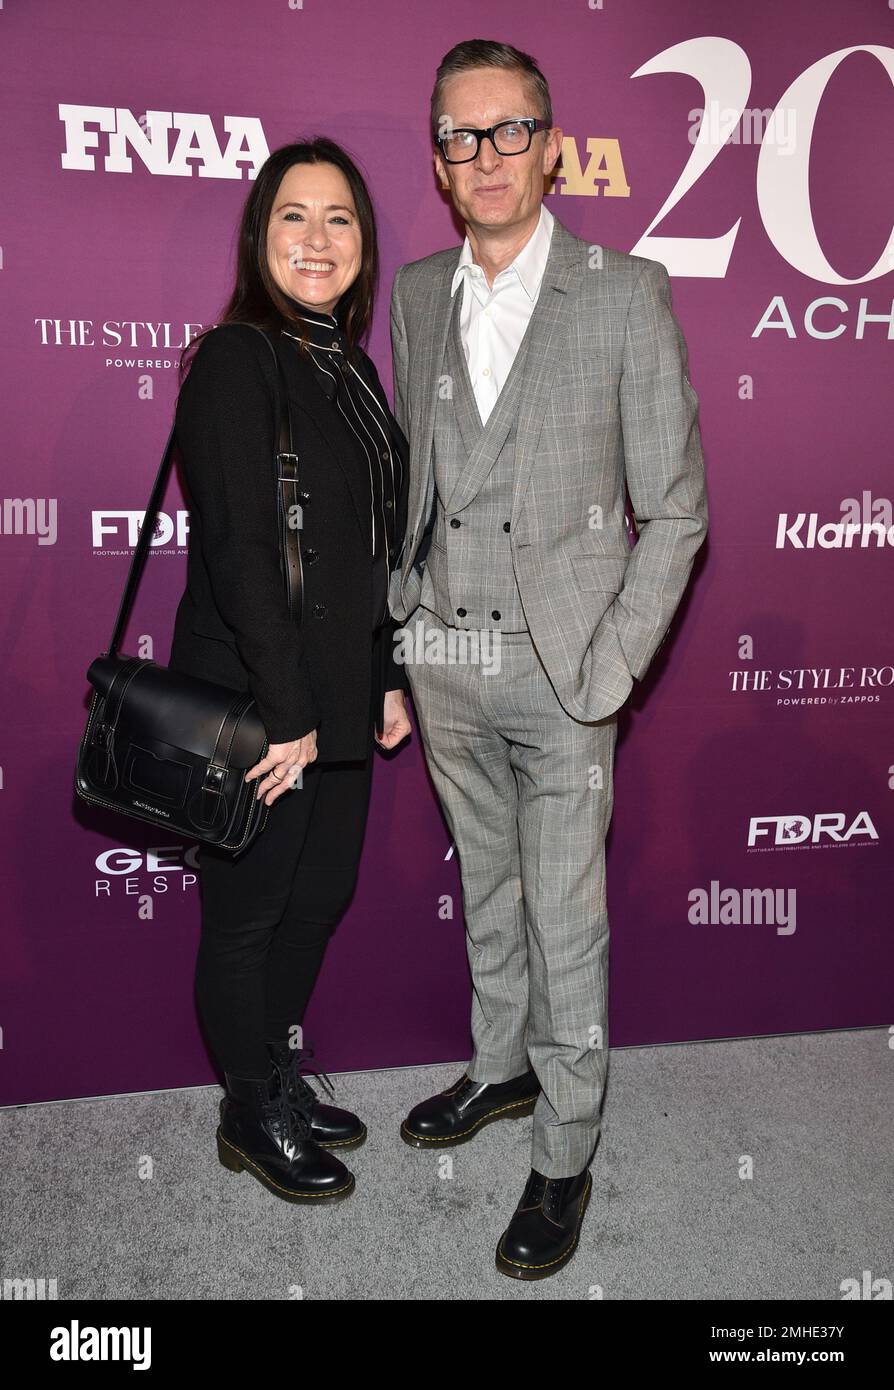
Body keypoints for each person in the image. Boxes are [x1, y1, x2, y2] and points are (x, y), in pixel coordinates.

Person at [389, 40, 708, 1277]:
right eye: (462, 137)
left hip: (566, 666)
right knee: (486, 883)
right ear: (439, 158)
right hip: (444, 652)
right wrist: (403, 631)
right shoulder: (417, 292)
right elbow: (417, 471)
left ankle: (566, 1153)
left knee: (565, 916)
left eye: (509, 130)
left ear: (551, 143)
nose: (487, 157)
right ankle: (503, 1068)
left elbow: (676, 508)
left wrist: (613, 663)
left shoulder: (626, 291)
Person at [169, 137, 411, 1205]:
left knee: (319, 898)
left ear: (363, 243)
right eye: (294, 218)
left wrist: (389, 675)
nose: (318, 240)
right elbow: (240, 549)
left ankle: (273, 1068)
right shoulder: (237, 357)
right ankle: (247, 1111)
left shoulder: (349, 370)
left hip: (345, 698)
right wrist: (284, 711)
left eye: (340, 219)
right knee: (252, 914)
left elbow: (371, 549)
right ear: (259, 238)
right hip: (266, 705)